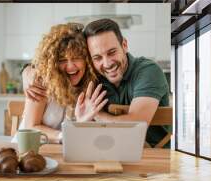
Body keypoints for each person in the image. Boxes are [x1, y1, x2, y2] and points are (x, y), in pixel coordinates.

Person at [26, 19, 170, 147]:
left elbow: (136, 126)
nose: (106, 63)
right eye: (97, 57)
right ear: (90, 59)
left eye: (112, 52)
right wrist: (27, 71)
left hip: (156, 154)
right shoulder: (93, 77)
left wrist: (97, 115)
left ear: (124, 45)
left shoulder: (147, 70)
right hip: (111, 150)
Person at [16, 23, 108, 143]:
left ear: (87, 60)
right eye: (62, 60)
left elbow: (81, 134)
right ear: (53, 63)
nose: (70, 67)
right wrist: (63, 136)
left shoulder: (90, 86)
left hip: (63, 153)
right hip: (28, 149)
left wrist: (81, 125)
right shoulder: (40, 81)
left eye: (76, 58)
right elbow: (30, 127)